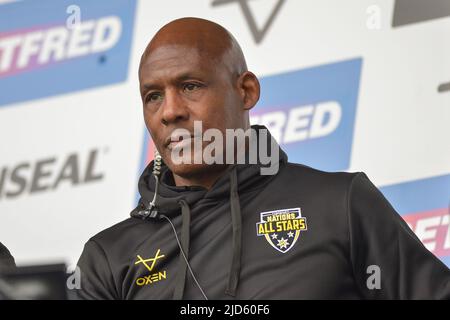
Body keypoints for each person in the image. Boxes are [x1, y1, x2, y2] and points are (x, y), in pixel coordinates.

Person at [75, 17, 450, 300]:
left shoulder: (339, 203)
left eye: (190, 86)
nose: (169, 111)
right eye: (153, 96)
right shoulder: (108, 257)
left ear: (247, 91)